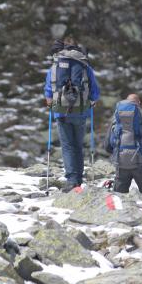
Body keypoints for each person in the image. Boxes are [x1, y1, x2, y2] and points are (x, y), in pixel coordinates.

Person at [44, 37, 100, 192]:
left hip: (60, 112)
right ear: (77, 48)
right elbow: (95, 91)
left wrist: (50, 100)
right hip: (80, 112)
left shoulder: (55, 66)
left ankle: (71, 180)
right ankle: (78, 179)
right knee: (78, 145)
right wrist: (93, 100)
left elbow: (49, 89)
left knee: (67, 146)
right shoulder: (84, 66)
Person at [104, 93, 142, 198]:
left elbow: (107, 146)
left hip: (121, 161)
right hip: (139, 161)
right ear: (138, 103)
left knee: (119, 196)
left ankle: (119, 211)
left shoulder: (117, 118)